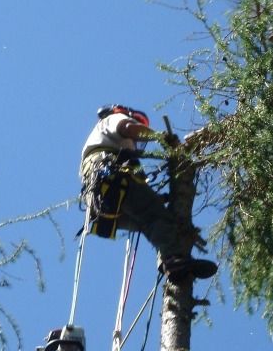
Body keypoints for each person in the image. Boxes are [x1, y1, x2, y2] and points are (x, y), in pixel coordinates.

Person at [80, 105, 217, 281]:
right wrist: (159, 137)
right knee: (154, 215)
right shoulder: (113, 119)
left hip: (101, 200)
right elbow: (129, 128)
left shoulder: (102, 142)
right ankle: (175, 259)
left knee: (153, 222)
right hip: (112, 177)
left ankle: (169, 261)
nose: (136, 144)